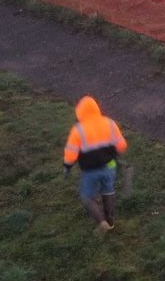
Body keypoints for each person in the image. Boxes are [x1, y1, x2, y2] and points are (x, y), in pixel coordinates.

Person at [62, 95, 128, 234]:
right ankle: (110, 220)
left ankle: (101, 221)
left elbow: (71, 154)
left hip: (90, 170)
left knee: (87, 197)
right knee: (108, 190)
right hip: (109, 166)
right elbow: (122, 145)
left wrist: (67, 167)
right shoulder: (109, 123)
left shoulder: (78, 130)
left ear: (80, 112)